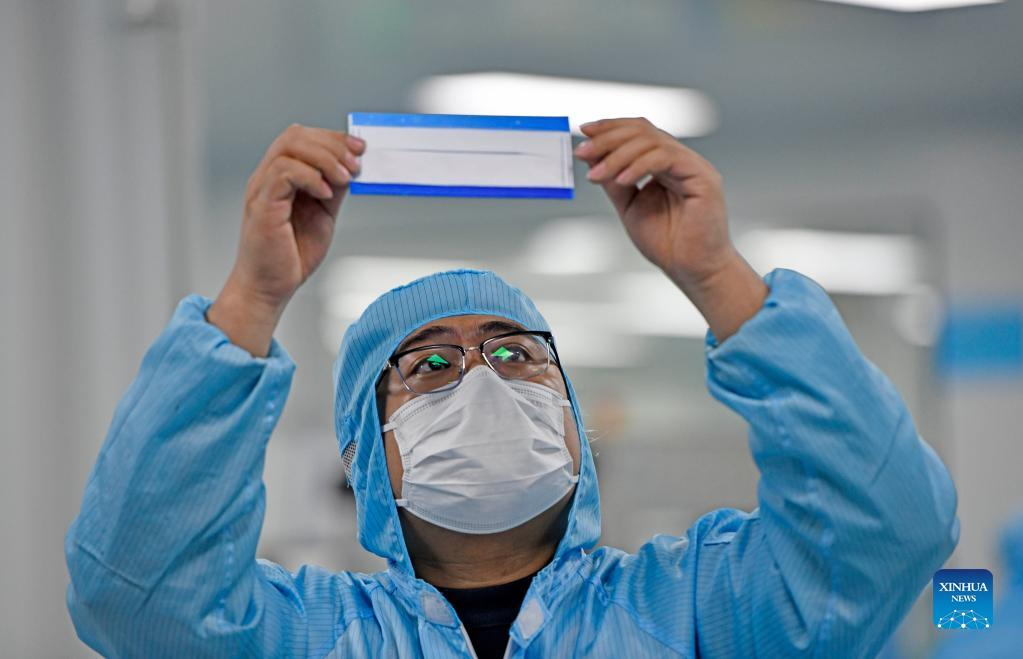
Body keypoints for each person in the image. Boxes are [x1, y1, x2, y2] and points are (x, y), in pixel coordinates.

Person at [65, 117, 959, 658]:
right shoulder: (308, 635)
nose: (483, 382)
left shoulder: (694, 612)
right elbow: (138, 597)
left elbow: (885, 529)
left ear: (570, 421)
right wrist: (251, 301)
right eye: (430, 365)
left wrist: (719, 276)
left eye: (516, 354)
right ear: (367, 453)